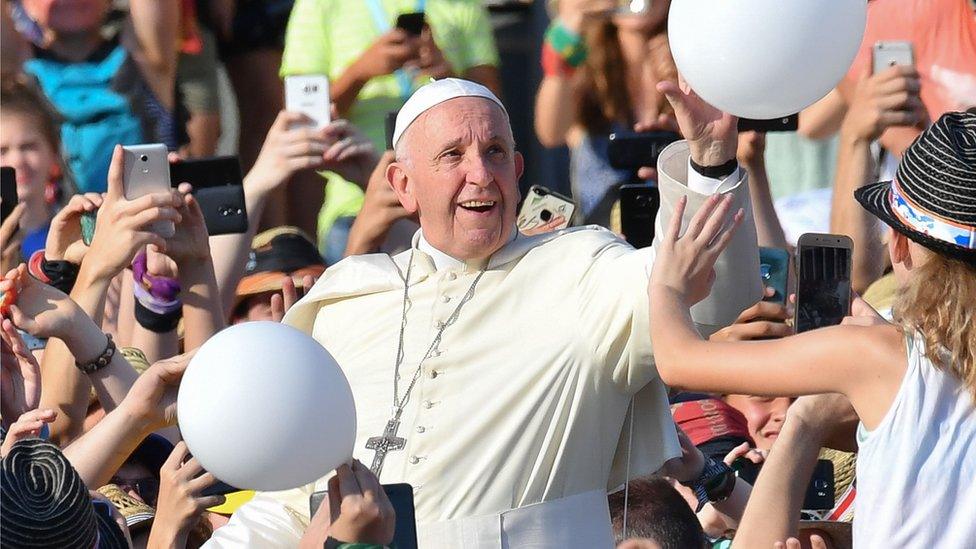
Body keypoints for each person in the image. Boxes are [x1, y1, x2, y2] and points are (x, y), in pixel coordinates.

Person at [206, 77, 762, 546]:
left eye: (495, 152)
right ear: (403, 185)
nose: (480, 172)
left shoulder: (582, 268)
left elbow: (705, 297)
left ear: (518, 169)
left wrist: (710, 163)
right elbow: (290, 503)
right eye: (453, 155)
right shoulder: (345, 296)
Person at [649, 111, 976, 546]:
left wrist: (667, 285)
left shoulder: (872, 355)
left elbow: (676, 361)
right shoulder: (878, 354)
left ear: (900, 244)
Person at [279, 0, 501, 261]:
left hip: (453, 206)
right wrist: (360, 72)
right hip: (355, 209)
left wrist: (447, 79)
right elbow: (302, 122)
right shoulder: (318, 5)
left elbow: (495, 115)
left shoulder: (461, 5)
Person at [11, 0, 182, 193]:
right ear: (25, 5)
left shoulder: (145, 57)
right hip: (58, 220)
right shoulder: (17, 69)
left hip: (143, 216)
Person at [534, 0, 676, 227]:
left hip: (678, 237)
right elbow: (551, 133)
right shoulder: (585, 68)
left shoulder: (693, 63)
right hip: (602, 246)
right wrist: (566, 37)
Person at [0, 78, 73, 264]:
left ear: (54, 152)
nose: (17, 160)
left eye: (28, 147)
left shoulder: (75, 236)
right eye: (2, 150)